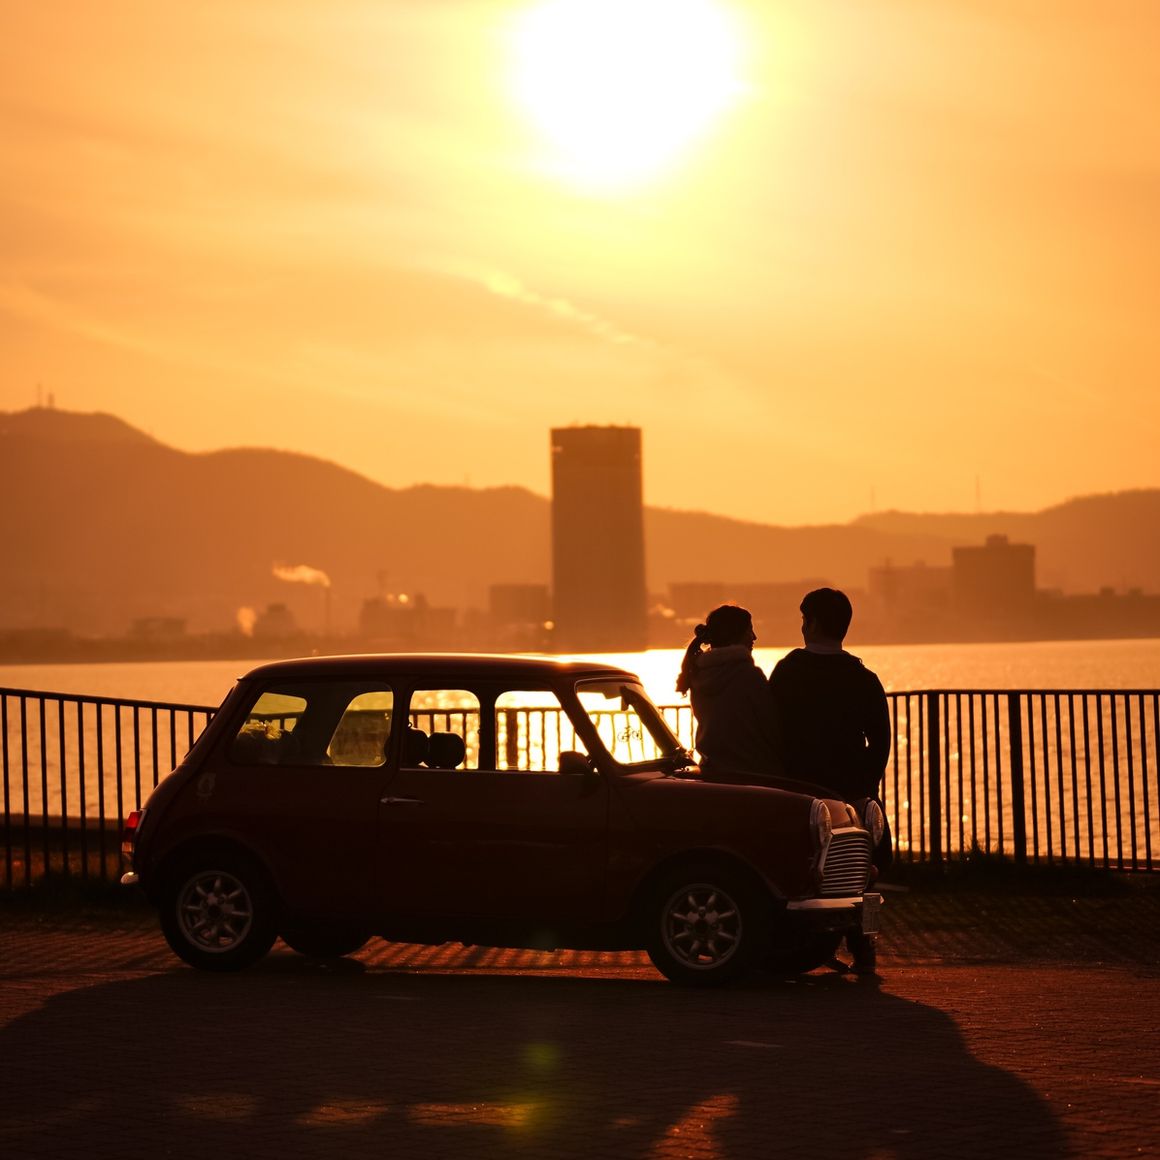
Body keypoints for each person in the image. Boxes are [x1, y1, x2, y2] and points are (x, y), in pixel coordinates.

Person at [767, 587, 891, 974]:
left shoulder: (788, 672)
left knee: (806, 872)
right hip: (852, 792)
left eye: (804, 619)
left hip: (801, 792)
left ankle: (806, 944)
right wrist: (866, 784)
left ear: (813, 623)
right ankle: (865, 945)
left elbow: (772, 731)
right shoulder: (863, 677)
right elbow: (881, 740)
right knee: (866, 876)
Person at [676, 604, 780, 781]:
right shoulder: (749, 675)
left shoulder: (697, 675)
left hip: (712, 773)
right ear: (736, 634)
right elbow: (771, 728)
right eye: (750, 630)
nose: (754, 637)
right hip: (753, 774)